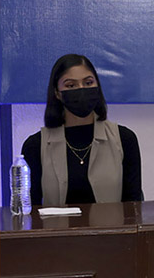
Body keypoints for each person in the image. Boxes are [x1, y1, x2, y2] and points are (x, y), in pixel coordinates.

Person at [20, 54, 143, 205]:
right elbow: (29, 210)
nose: (81, 89)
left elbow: (133, 207)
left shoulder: (124, 139)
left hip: (111, 221)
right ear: (57, 93)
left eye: (88, 83)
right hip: (56, 222)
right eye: (71, 85)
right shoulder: (35, 146)